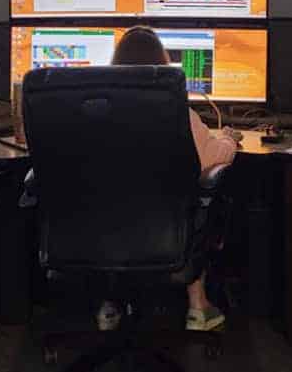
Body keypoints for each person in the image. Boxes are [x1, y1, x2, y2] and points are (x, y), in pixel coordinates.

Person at [97, 26, 238, 333]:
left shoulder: (93, 116)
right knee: (193, 200)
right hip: (167, 238)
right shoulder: (179, 116)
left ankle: (109, 305)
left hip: (94, 240)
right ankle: (197, 308)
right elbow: (217, 157)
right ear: (162, 68)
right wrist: (229, 138)